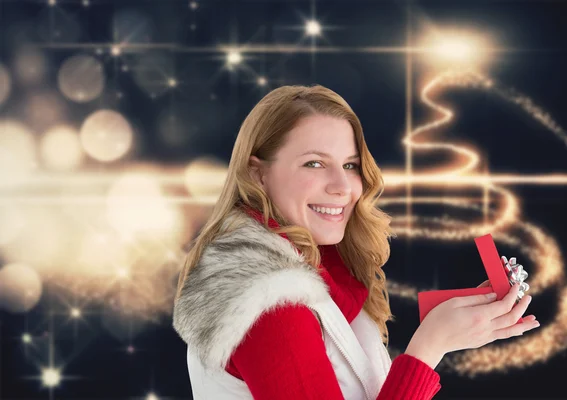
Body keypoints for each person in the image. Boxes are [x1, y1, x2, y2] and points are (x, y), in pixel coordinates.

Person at [172, 84, 540, 399]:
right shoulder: (269, 299)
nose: (342, 186)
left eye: (350, 165)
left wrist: (457, 322)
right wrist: (429, 347)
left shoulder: (317, 269)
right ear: (259, 173)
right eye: (314, 164)